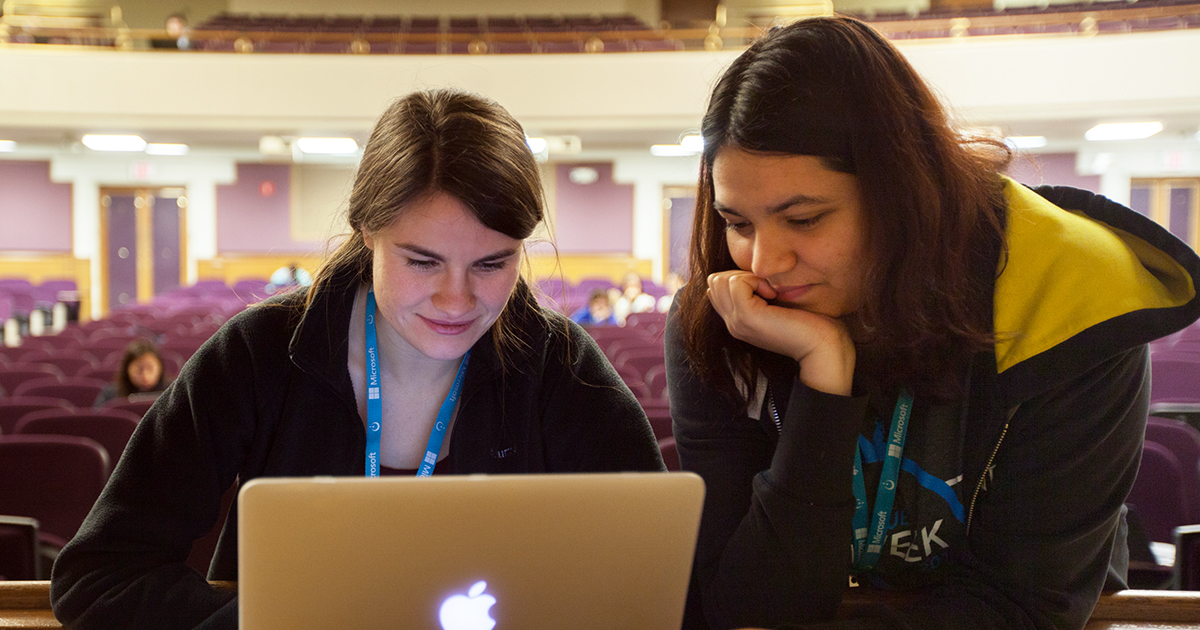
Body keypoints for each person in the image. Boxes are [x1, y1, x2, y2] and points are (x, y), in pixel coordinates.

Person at [51, 89, 664, 630]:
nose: (457, 299)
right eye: (421, 261)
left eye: (492, 263)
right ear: (367, 231)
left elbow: (658, 583)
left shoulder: (566, 372)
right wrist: (281, 620)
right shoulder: (257, 356)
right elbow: (99, 575)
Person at [666, 17, 1200, 630]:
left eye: (805, 219)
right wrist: (822, 376)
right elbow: (750, 607)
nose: (765, 262)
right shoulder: (719, 328)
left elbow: (1021, 606)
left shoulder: (1069, 300)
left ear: (903, 193)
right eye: (738, 224)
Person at [93, 338, 172, 407]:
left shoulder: (172, 392)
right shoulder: (110, 394)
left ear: (160, 367)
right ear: (127, 369)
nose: (145, 376)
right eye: (138, 370)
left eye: (150, 368)